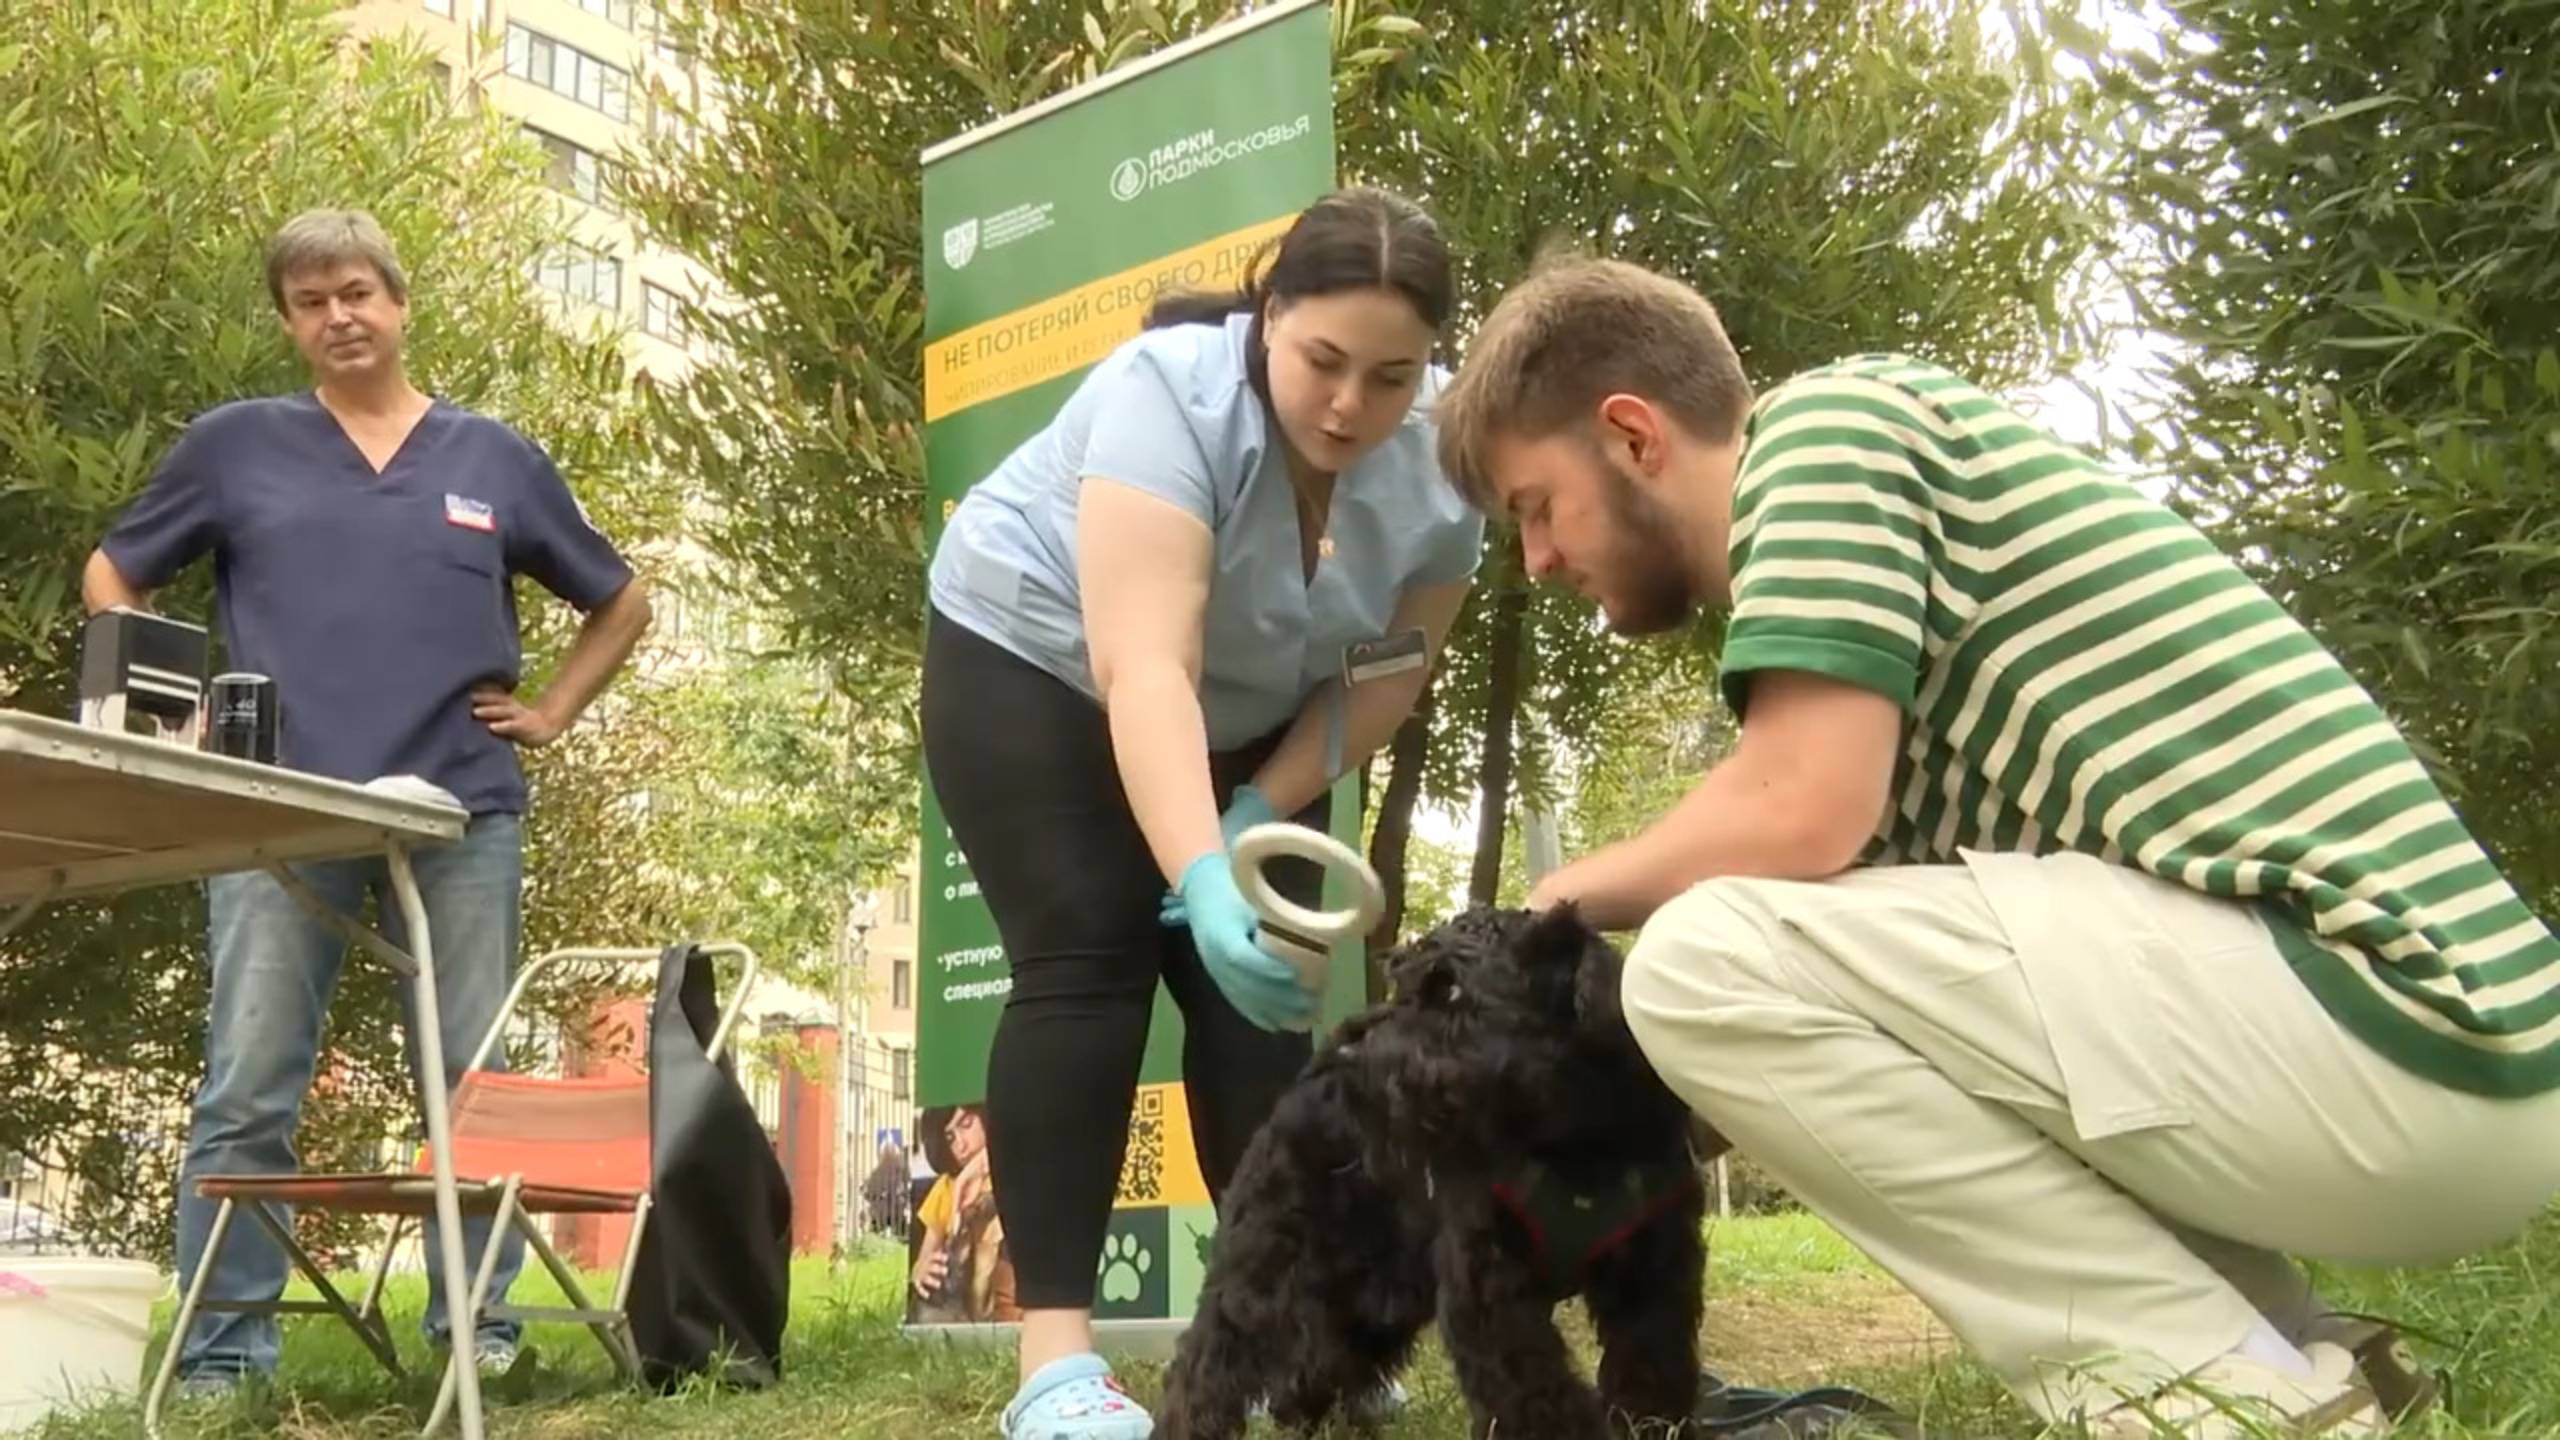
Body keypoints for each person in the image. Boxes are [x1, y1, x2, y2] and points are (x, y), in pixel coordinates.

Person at [1428, 253, 2560, 1437]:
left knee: (1699, 951)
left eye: (1532, 507)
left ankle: (2220, 1404)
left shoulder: (1825, 433)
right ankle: (2294, 1355)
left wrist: (1548, 907)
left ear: (1632, 434)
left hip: (2394, 1016)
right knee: (1724, 969)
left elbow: (1792, 808)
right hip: (2421, 1067)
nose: (1539, 561)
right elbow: (1816, 1052)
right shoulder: (1885, 664)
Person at [919, 186, 1482, 1439]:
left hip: (1248, 709)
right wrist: (1197, 866)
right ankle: (1055, 1371)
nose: (1350, 406)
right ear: (1269, 314)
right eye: (1322, 361)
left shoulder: (1451, 465)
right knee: (1088, 955)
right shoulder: (1168, 396)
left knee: (1254, 1009)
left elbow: (1383, 680)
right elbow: (1146, 668)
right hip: (1037, 662)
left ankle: (1296, 1328)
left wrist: (1253, 814)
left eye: (1391, 378)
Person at [83, 209, 652, 1395]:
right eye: (310, 302)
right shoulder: (234, 446)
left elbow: (620, 599)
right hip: (275, 813)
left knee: (471, 1092)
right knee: (248, 1086)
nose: (339, 316)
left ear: (399, 302)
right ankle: (221, 1357)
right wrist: (160, 703)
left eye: (356, 292)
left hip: (462, 814)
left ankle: (477, 1339)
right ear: (290, 324)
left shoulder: (495, 460)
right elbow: (114, 569)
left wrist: (552, 712)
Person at [908, 1105, 1016, 1323]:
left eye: (967, 1125)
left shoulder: (1019, 1171)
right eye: (950, 1137)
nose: (961, 1146)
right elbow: (926, 1256)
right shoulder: (946, 1189)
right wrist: (920, 1271)